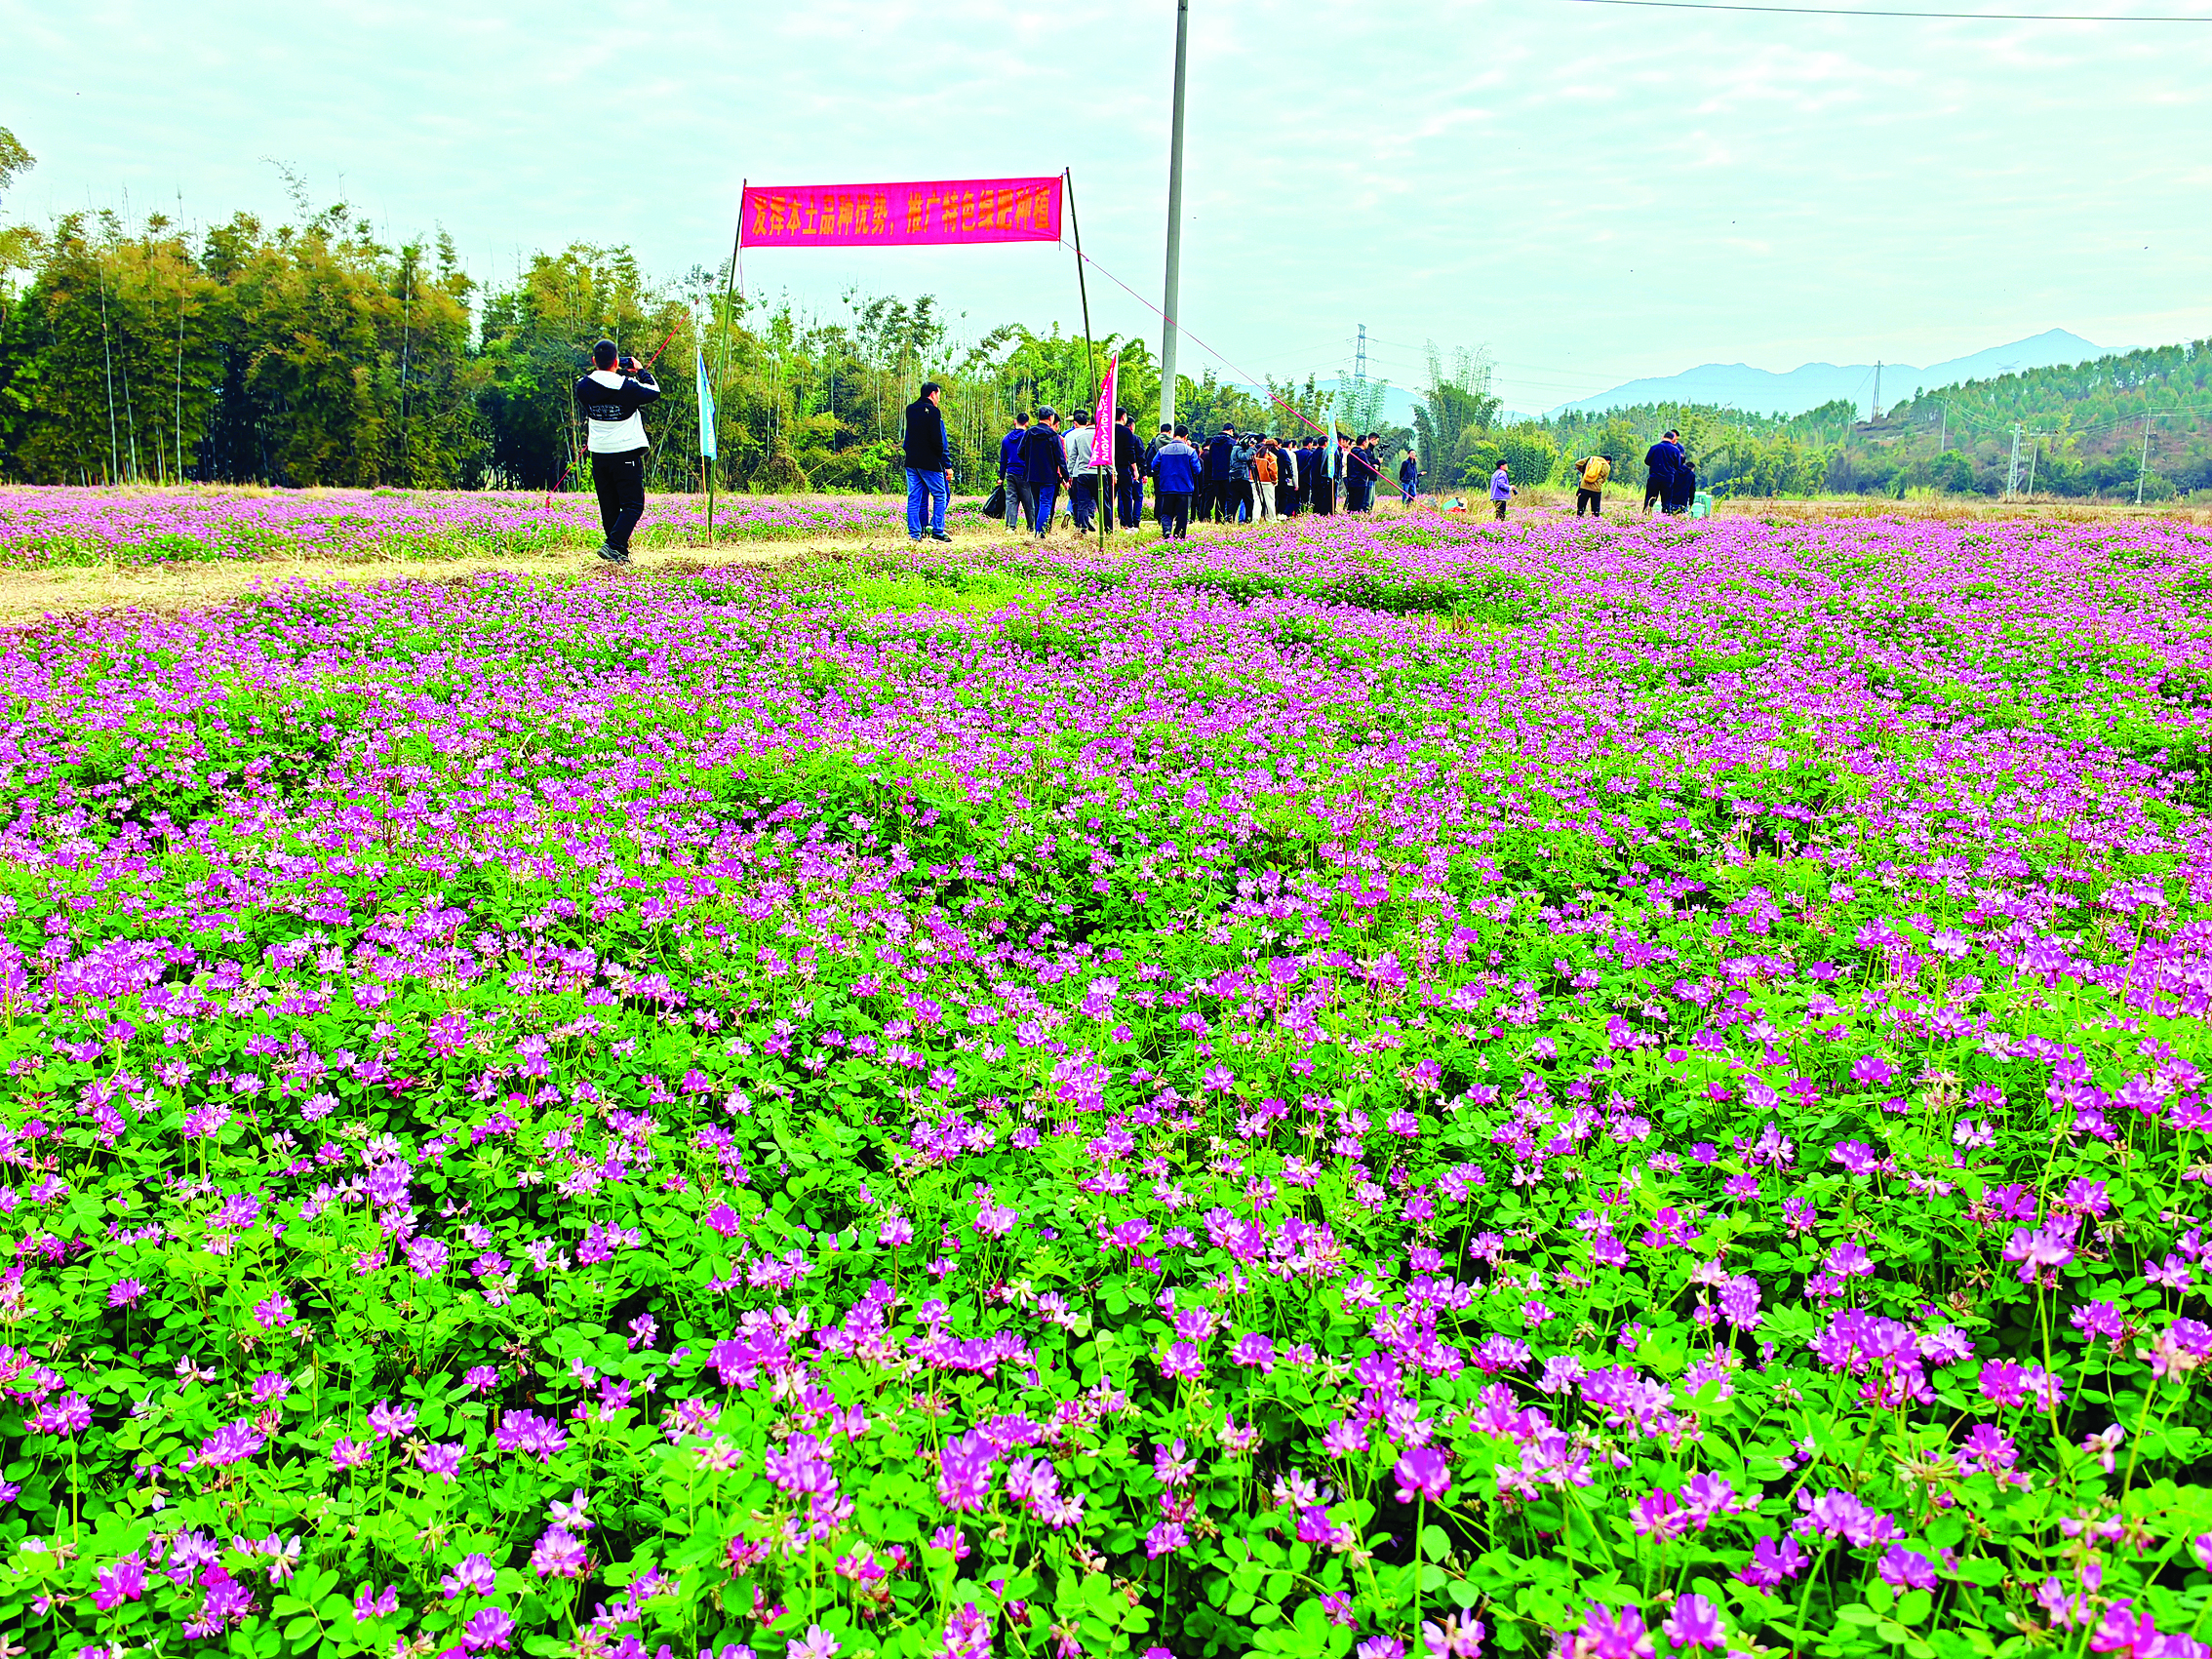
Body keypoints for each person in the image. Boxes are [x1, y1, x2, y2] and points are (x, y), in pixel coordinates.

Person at [573, 338, 660, 565]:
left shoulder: (582, 386)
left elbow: (598, 390)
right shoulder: (627, 386)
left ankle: (618, 555)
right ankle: (614, 546)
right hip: (625, 451)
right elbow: (654, 391)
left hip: (599, 452)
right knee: (633, 504)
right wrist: (641, 371)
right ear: (616, 361)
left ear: (594, 361)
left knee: (609, 505)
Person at [902, 381, 954, 543]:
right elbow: (937, 440)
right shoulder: (933, 412)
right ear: (933, 394)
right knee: (940, 495)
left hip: (911, 461)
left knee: (914, 498)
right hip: (929, 461)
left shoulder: (910, 409)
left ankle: (915, 534)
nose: (938, 398)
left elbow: (909, 437)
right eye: (938, 394)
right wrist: (944, 463)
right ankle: (937, 530)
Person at [1018, 406, 1069, 536]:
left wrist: (1030, 460)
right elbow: (1060, 458)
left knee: (1037, 503)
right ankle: (1040, 533)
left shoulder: (1029, 433)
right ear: (1051, 417)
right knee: (1046, 503)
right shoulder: (1053, 436)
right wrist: (1066, 476)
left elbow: (1020, 452)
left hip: (1032, 474)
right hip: (1049, 475)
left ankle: (1037, 530)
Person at [1151, 423, 1201, 539]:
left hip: (1166, 487)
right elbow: (1197, 469)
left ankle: (1167, 532)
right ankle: (1179, 535)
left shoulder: (1162, 450)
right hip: (1184, 488)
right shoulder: (1190, 451)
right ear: (1186, 436)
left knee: (1166, 513)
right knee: (1182, 515)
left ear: (1173, 435)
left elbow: (1154, 465)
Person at [1065, 408, 1097, 533]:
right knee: (1091, 498)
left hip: (1075, 471)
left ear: (1075, 422)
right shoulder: (1093, 434)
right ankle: (1089, 516)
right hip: (1089, 469)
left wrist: (1068, 473)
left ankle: (1078, 522)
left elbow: (1069, 455)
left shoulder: (1068, 435)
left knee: (1077, 499)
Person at [1000, 412, 1032, 531]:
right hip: (1024, 472)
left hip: (1011, 472)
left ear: (1015, 422)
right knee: (1028, 501)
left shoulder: (1006, 439)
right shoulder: (1027, 437)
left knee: (1011, 500)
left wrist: (1001, 477)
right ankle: (1031, 526)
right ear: (1027, 423)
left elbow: (1003, 460)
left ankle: (1010, 526)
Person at [1115, 411, 1145, 528]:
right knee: (1127, 496)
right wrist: (1135, 469)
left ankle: (1108, 525)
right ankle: (1129, 524)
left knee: (1110, 498)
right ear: (1123, 417)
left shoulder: (1108, 430)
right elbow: (1130, 452)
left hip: (1110, 468)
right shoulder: (1126, 432)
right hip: (1123, 468)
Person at [1202, 424, 1238, 522]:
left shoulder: (1213, 442)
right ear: (1231, 431)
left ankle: (1219, 517)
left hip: (1216, 474)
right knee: (1229, 497)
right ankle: (1228, 518)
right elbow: (1233, 459)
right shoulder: (1231, 442)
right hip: (1227, 474)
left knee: (1219, 497)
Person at [1643, 429, 1682, 515]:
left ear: (1662, 437)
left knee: (1650, 498)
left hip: (1655, 477)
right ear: (1672, 439)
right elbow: (1678, 466)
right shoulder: (1676, 450)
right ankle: (1666, 518)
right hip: (1668, 479)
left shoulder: (1654, 447)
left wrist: (1655, 464)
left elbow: (1647, 461)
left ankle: (1646, 515)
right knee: (1666, 501)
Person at [1574, 451, 1611, 518]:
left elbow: (1577, 463)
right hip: (1596, 489)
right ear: (1608, 461)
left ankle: (1579, 518)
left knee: (1581, 507)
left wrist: (1585, 472)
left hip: (1584, 487)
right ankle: (1594, 520)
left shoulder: (1591, 459)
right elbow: (1604, 479)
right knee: (1595, 509)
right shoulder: (1606, 465)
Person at [1249, 437, 1278, 523]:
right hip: (1267, 481)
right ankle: (1271, 519)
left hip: (1254, 480)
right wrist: (1275, 480)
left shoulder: (1256, 455)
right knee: (1270, 500)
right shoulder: (1271, 457)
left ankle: (1255, 519)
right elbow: (1273, 471)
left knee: (1257, 500)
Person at [1311, 433, 1337, 516]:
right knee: (1322, 498)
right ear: (1326, 443)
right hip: (1322, 479)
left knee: (1316, 498)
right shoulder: (1324, 453)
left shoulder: (1313, 453)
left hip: (1314, 479)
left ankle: (1316, 512)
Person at [1275, 436, 1299, 517]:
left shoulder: (1276, 452)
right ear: (1290, 445)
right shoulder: (1291, 454)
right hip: (1288, 481)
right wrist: (1296, 484)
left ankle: (1278, 513)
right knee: (1288, 499)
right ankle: (1285, 514)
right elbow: (1293, 470)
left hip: (1276, 479)